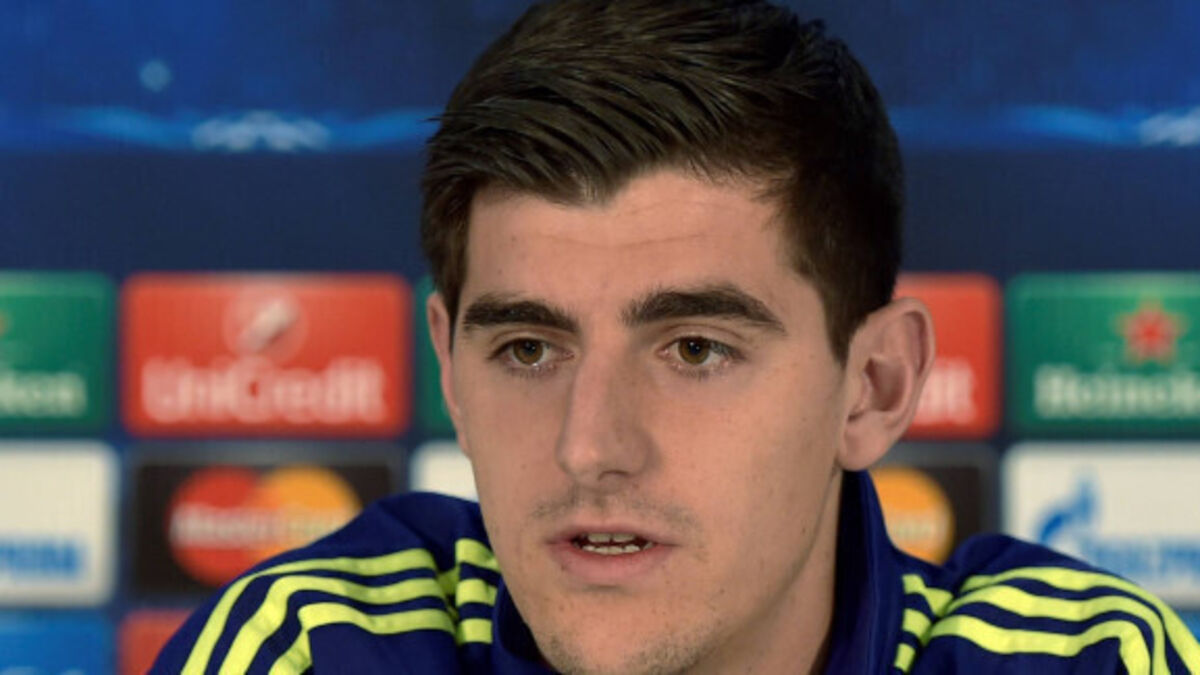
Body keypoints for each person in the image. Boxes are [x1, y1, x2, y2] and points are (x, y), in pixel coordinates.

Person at [153, 1, 1200, 673]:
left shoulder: (1087, 659)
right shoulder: (314, 649)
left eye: (695, 349)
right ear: (451, 376)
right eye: (528, 350)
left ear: (874, 386)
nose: (589, 445)